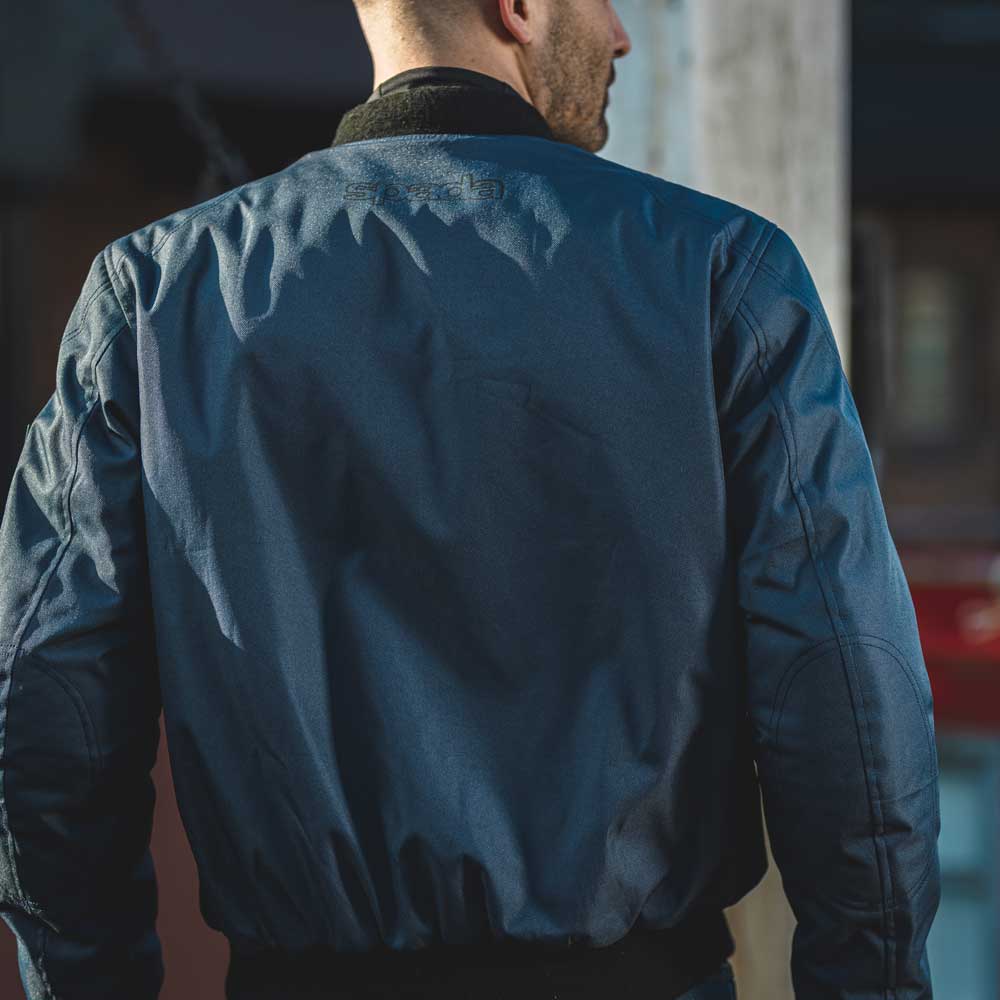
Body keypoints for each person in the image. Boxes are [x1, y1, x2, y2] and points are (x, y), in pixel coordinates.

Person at [0, 0, 941, 997]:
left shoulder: (152, 299)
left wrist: (88, 980)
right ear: (519, 6)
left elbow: (45, 709)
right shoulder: (722, 276)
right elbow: (847, 695)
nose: (621, 34)